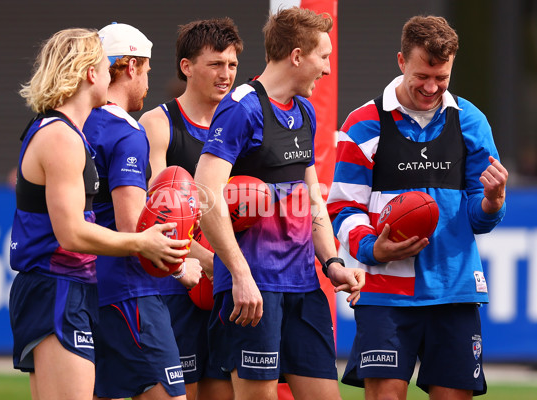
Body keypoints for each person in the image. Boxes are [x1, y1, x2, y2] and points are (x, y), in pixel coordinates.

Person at [327, 15, 508, 400]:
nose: (431, 87)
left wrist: (493, 202)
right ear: (401, 61)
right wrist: (372, 248)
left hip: (454, 289)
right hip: (384, 292)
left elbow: (479, 218)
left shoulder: (471, 121)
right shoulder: (363, 123)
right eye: (422, 75)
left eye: (442, 78)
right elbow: (343, 208)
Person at [193, 7, 366, 400]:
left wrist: (333, 262)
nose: (327, 69)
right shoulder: (241, 108)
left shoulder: (305, 111)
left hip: (303, 285)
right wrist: (239, 274)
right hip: (254, 287)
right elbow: (206, 195)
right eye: (324, 57)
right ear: (297, 56)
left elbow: (312, 199)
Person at [8, 28, 190, 400]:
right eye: (105, 67)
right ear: (92, 73)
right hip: (57, 284)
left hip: (61, 286)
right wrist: (141, 241)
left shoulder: (63, 131)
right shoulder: (61, 137)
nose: (112, 75)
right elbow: (71, 233)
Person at [83, 22, 202, 400]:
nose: (148, 80)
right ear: (130, 66)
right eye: (147, 69)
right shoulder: (126, 131)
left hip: (85, 289)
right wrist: (181, 265)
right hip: (130, 291)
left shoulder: (74, 124)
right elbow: (133, 224)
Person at [139, 17, 242, 400]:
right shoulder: (158, 123)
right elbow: (159, 217)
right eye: (215, 64)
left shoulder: (242, 121)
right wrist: (220, 264)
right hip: (176, 285)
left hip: (225, 287)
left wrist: (231, 268)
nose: (226, 74)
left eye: (231, 65)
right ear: (186, 66)